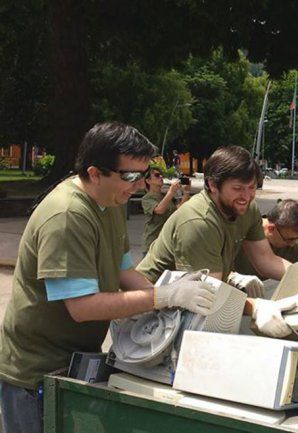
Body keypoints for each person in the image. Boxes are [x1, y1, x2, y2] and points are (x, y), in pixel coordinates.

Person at [0, 122, 216, 433]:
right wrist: (162, 297)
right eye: (129, 176)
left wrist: (170, 303)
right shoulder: (67, 216)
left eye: (143, 175)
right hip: (35, 373)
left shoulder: (112, 201)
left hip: (75, 361)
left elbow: (122, 270)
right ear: (95, 172)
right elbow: (83, 307)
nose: (139, 184)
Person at [137, 145, 290, 294]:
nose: (246, 196)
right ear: (212, 184)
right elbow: (210, 293)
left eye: (252, 188)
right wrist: (257, 306)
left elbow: (266, 259)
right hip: (151, 308)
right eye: (237, 188)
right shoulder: (198, 221)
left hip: (194, 299)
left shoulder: (247, 209)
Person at [234, 199, 298, 277]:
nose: (292, 244)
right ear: (271, 228)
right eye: (289, 239)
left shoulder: (297, 243)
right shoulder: (239, 236)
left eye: (297, 238)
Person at [140, 164, 190, 255]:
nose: (161, 177)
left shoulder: (165, 196)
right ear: (148, 181)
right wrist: (171, 192)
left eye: (161, 175)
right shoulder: (147, 199)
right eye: (157, 175)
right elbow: (159, 210)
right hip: (152, 245)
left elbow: (178, 210)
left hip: (167, 244)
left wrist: (186, 192)